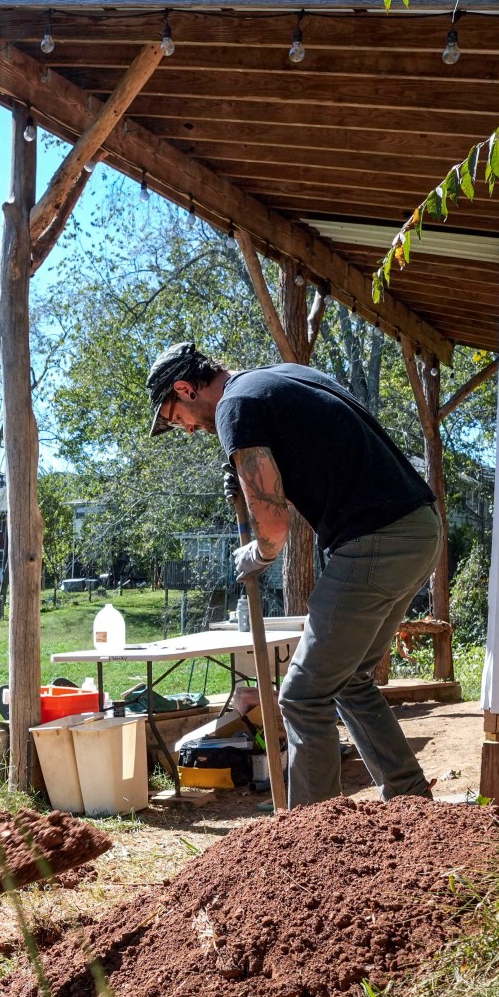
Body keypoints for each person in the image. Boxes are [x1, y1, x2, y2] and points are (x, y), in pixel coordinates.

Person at [146, 341, 443, 807]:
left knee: (302, 696)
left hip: (376, 540)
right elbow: (319, 447)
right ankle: (410, 798)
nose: (183, 429)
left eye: (173, 416)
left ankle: (309, 834)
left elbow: (275, 526)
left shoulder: (235, 408)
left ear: (185, 389)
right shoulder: (279, 377)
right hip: (418, 528)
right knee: (348, 679)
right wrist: (249, 466)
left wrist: (258, 555)